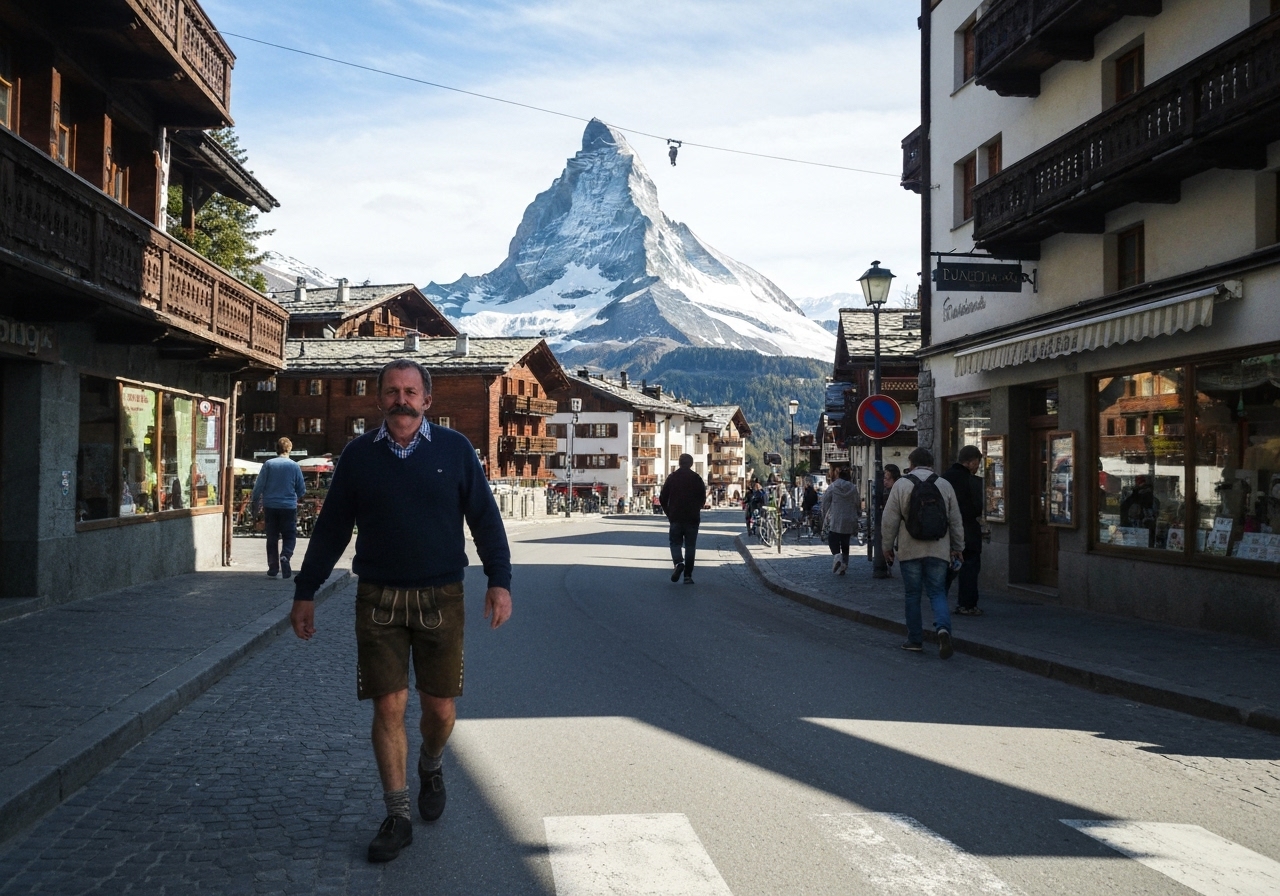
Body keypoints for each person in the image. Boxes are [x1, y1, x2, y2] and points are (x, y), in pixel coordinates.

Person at [288, 359, 512, 864]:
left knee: (439, 709)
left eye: (411, 391)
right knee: (388, 707)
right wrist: (306, 590)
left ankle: (431, 763)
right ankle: (397, 814)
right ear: (379, 399)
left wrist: (499, 581)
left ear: (427, 401)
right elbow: (331, 530)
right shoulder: (358, 456)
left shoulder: (455, 451)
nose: (401, 400)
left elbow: (485, 520)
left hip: (441, 597)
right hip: (378, 598)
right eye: (392, 391)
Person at [881, 447, 964, 659]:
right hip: (939, 548)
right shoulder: (944, 485)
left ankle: (915, 640)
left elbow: (889, 520)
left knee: (913, 594)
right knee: (937, 592)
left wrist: (887, 547)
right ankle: (943, 630)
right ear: (931, 463)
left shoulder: (901, 484)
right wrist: (957, 548)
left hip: (910, 549)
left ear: (911, 463)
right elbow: (955, 520)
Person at [250, 437, 306, 578]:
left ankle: (273, 567)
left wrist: (255, 500)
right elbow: (301, 489)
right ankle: (286, 555)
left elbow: (259, 485)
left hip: (271, 505)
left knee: (272, 537)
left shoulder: (268, 464)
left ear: (277, 449)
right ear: (290, 449)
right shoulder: (294, 466)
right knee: (289, 535)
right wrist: (295, 495)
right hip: (288, 506)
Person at [942, 445, 985, 615]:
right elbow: (976, 508)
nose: (978, 467)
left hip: (945, 531)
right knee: (970, 567)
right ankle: (967, 605)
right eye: (977, 463)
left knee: (946, 569)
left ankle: (939, 600)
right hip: (967, 531)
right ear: (972, 462)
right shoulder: (972, 481)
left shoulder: (944, 479)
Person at [660, 453, 706, 584]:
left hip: (676, 516)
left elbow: (663, 498)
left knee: (675, 543)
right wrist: (697, 508)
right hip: (692, 517)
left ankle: (679, 563)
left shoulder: (672, 478)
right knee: (690, 546)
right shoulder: (696, 478)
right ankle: (687, 576)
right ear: (691, 464)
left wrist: (669, 513)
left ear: (679, 463)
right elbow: (702, 497)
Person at [820, 468, 861, 574]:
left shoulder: (833, 486)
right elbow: (857, 502)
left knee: (832, 538)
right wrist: (858, 513)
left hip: (836, 517)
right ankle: (844, 564)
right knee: (845, 542)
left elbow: (825, 501)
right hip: (849, 518)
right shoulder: (853, 488)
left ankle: (837, 557)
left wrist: (825, 514)